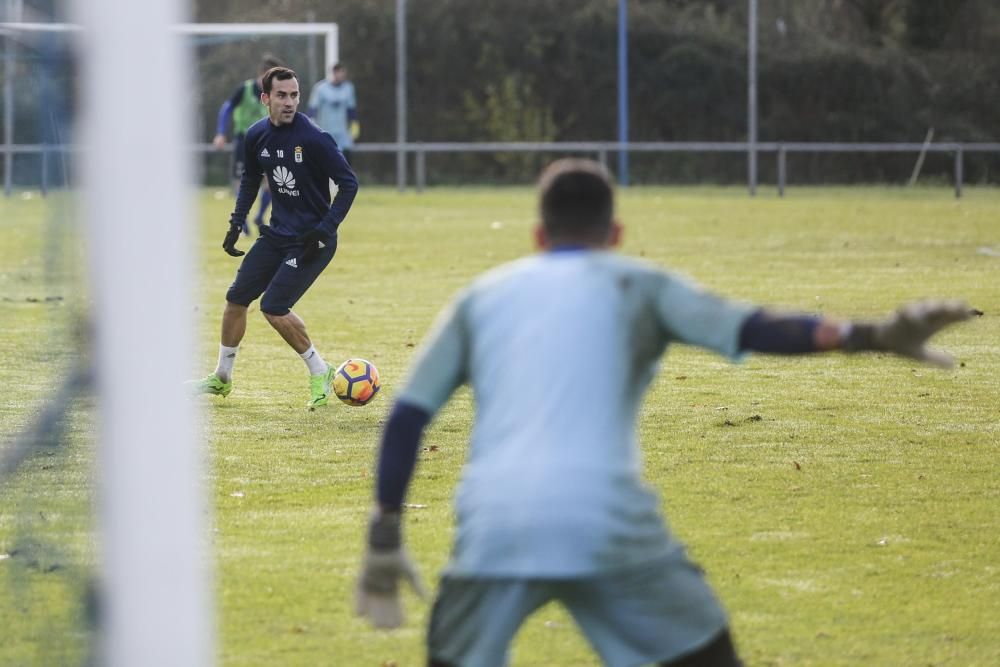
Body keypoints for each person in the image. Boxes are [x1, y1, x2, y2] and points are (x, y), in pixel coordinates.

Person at [354, 158, 976, 666]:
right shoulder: (640, 284)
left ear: (539, 236)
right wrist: (872, 335)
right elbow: (758, 327)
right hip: (608, 521)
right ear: (616, 234)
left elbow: (407, 416)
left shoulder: (479, 298)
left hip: (495, 528)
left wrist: (385, 532)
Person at [191, 66, 359, 410]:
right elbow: (251, 180)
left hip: (314, 239)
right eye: (282, 95)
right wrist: (237, 222)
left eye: (295, 95)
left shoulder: (314, 138)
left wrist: (325, 229)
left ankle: (321, 370)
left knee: (274, 307)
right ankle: (221, 379)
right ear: (265, 98)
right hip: (277, 233)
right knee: (236, 300)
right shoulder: (256, 136)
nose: (289, 102)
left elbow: (349, 184)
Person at [212, 54, 283, 234]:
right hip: (243, 142)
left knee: (273, 181)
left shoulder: (276, 94)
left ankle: (259, 216)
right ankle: (241, 221)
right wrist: (221, 132)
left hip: (266, 143)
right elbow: (226, 108)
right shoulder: (245, 88)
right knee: (241, 183)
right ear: (262, 74)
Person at [307, 62, 359, 165]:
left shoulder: (348, 88)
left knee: (346, 159)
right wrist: (311, 126)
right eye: (339, 72)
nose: (342, 75)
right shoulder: (321, 88)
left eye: (343, 72)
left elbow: (351, 109)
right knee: (324, 162)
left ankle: (346, 180)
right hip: (325, 131)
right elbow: (312, 109)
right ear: (334, 73)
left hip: (342, 133)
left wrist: (354, 124)